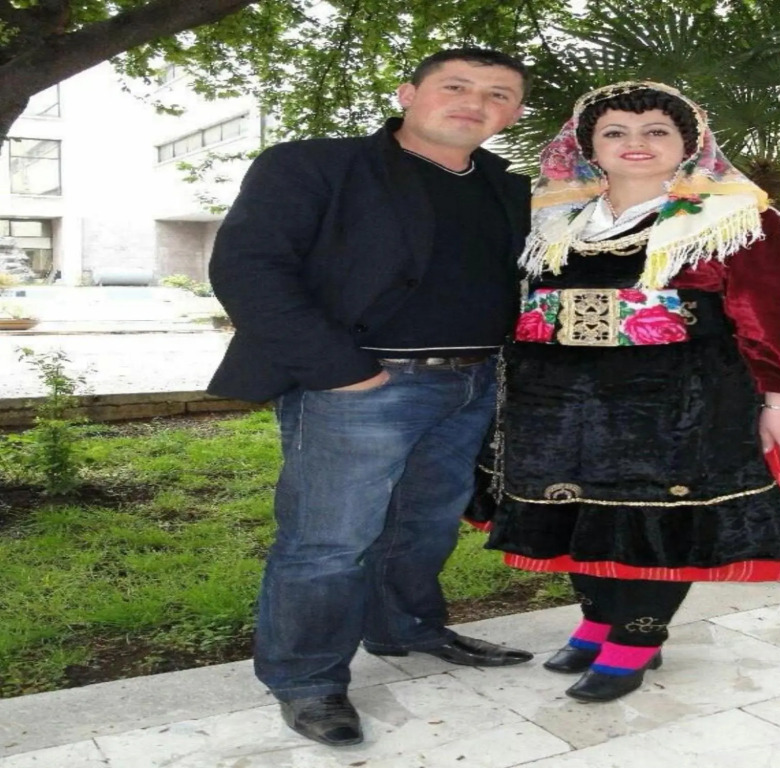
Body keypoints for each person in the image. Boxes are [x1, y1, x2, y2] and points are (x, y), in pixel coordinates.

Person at [207, 48, 535, 747]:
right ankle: (307, 680)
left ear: (514, 113)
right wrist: (339, 370)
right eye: (456, 85)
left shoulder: (507, 186)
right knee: (328, 542)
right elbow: (248, 267)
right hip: (361, 385)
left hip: (471, 382)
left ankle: (405, 628)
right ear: (408, 93)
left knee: (425, 525)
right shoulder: (315, 165)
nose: (476, 102)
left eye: (498, 94)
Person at [469, 81, 780, 704]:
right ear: (590, 147)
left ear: (687, 144)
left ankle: (637, 637)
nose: (635, 143)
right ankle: (598, 621)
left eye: (655, 131)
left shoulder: (734, 217)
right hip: (558, 401)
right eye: (615, 132)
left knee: (657, 517)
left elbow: (769, 316)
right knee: (579, 510)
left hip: (678, 403)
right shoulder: (552, 219)